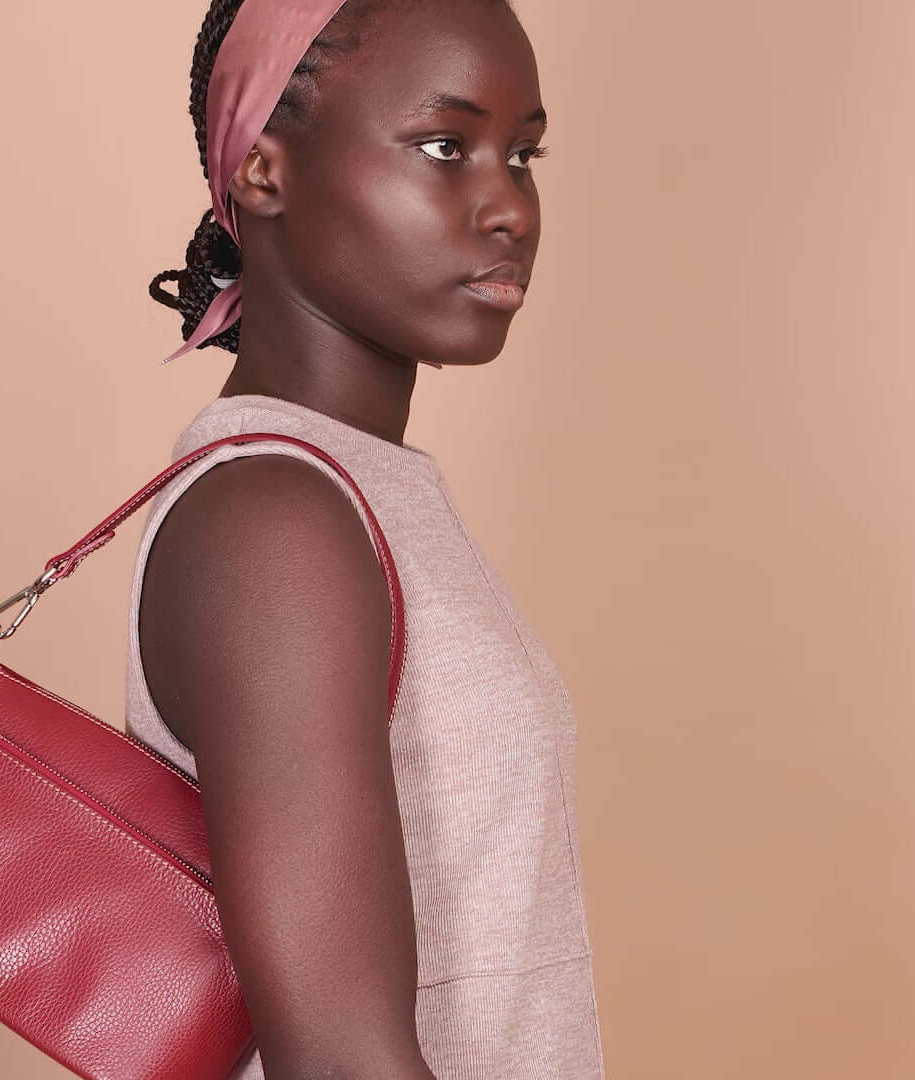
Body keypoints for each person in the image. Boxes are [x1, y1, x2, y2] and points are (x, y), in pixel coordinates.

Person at [132, 1, 605, 1076]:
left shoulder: (356, 491)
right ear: (262, 169)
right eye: (444, 146)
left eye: (522, 155)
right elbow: (344, 1063)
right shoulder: (278, 521)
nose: (511, 209)